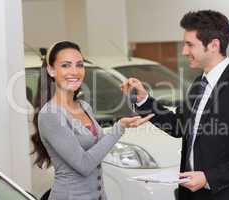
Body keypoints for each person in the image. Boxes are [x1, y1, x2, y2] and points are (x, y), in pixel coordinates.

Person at [121, 10, 229, 200]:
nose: (184, 51)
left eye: (189, 45)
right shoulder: (197, 85)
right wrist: (144, 100)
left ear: (214, 45)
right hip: (193, 194)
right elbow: (179, 125)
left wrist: (209, 177)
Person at [31, 41, 154, 200]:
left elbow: (99, 145)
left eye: (79, 65)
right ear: (51, 70)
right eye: (66, 65)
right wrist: (119, 127)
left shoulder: (83, 106)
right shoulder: (50, 114)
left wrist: (125, 124)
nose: (75, 71)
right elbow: (84, 164)